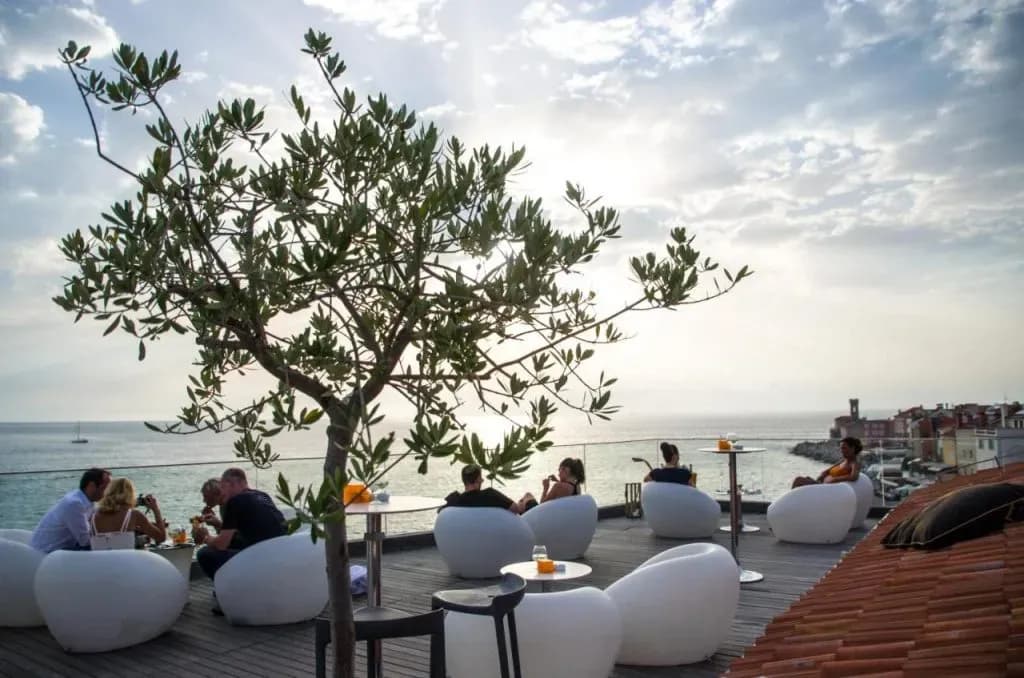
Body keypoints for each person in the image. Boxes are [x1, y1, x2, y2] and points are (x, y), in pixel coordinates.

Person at [193, 467, 286, 582]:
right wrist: (218, 525)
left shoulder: (235, 501)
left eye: (223, 487)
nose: (222, 492)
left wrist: (205, 537)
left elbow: (221, 544)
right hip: (280, 552)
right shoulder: (262, 495)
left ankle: (227, 587)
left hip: (261, 557)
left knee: (204, 554)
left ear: (229, 484)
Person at [30, 467, 111, 552]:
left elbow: (93, 529)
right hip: (48, 551)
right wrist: (111, 540)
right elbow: (85, 541)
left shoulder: (87, 501)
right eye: (104, 488)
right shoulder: (74, 504)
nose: (107, 493)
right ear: (91, 486)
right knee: (105, 549)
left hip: (61, 549)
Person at [91, 477, 167, 546]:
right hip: (124, 557)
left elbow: (109, 536)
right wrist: (155, 509)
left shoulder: (94, 514)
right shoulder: (134, 515)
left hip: (99, 557)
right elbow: (161, 537)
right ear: (130, 494)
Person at [441, 464, 520, 512]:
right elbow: (516, 509)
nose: (482, 480)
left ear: (464, 480)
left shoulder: (453, 500)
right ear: (478, 480)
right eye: (481, 477)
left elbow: (440, 512)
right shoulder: (491, 495)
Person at [791, 437, 863, 489]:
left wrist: (835, 479)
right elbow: (827, 471)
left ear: (852, 448)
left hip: (825, 489)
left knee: (798, 480)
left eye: (844, 448)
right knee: (806, 478)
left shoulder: (854, 463)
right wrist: (823, 475)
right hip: (821, 483)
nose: (841, 450)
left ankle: (789, 503)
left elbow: (854, 477)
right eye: (841, 448)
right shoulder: (843, 461)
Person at [518, 457, 585, 512]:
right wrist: (557, 481)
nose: (558, 474)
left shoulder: (558, 486)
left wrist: (545, 488)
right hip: (564, 516)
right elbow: (566, 492)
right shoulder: (577, 486)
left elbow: (542, 506)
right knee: (526, 499)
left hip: (546, 517)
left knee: (527, 496)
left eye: (559, 470)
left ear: (565, 470)